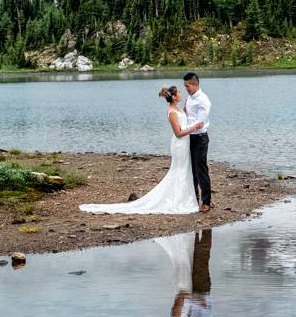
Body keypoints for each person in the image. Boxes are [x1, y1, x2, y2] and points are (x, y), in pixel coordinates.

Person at [79, 85, 205, 214]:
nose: (180, 93)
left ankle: (186, 197)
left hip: (186, 143)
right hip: (179, 144)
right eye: (178, 92)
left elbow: (188, 112)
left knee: (185, 170)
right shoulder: (172, 112)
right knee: (179, 171)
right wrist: (195, 127)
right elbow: (178, 133)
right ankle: (178, 200)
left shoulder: (179, 109)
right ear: (173, 97)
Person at [182, 72, 213, 213]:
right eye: (185, 86)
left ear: (196, 84)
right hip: (190, 137)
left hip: (200, 138)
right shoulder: (189, 97)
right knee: (192, 170)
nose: (186, 89)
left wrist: (182, 131)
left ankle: (206, 201)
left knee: (201, 170)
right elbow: (187, 114)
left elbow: (200, 123)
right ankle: (194, 199)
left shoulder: (203, 100)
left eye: (188, 86)